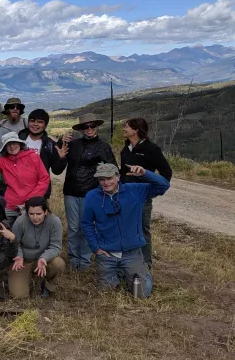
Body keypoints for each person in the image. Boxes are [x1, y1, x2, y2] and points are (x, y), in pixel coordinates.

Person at [82, 163, 170, 298]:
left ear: (117, 177)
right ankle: (121, 274)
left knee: (140, 294)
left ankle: (144, 273)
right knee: (106, 294)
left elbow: (163, 186)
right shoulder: (92, 197)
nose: (105, 183)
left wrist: (145, 173)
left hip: (131, 252)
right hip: (107, 254)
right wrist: (96, 248)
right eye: (101, 179)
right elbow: (87, 224)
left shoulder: (134, 190)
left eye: (109, 178)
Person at [64, 113, 117, 270]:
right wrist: (61, 145)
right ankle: (73, 259)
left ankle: (85, 260)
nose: (89, 129)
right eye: (85, 127)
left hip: (91, 192)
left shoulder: (103, 146)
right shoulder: (73, 145)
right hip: (71, 191)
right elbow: (60, 162)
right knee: (73, 228)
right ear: (81, 129)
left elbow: (113, 169)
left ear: (96, 127)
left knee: (87, 227)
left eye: (92, 126)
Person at [120, 118, 172, 268]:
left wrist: (150, 192)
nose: (124, 129)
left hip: (142, 199)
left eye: (127, 127)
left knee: (142, 231)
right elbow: (123, 174)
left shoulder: (152, 149)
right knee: (126, 228)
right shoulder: (125, 149)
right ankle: (128, 263)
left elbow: (166, 174)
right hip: (126, 197)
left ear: (135, 130)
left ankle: (146, 265)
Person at [8, 196, 65, 299]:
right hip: (24, 261)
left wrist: (44, 258)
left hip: (44, 260)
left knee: (58, 263)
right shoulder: (20, 221)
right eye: (31, 214)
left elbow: (56, 246)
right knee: (18, 295)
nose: (35, 217)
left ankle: (47, 286)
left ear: (46, 212)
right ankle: (26, 278)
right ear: (27, 212)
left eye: (39, 214)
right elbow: (15, 243)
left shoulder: (55, 222)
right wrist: (19, 256)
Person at [17, 109, 69, 198]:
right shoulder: (18, 140)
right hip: (18, 189)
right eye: (32, 121)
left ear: (45, 125)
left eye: (40, 122)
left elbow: (56, 171)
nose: (35, 124)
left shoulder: (50, 145)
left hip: (40, 192)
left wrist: (61, 159)